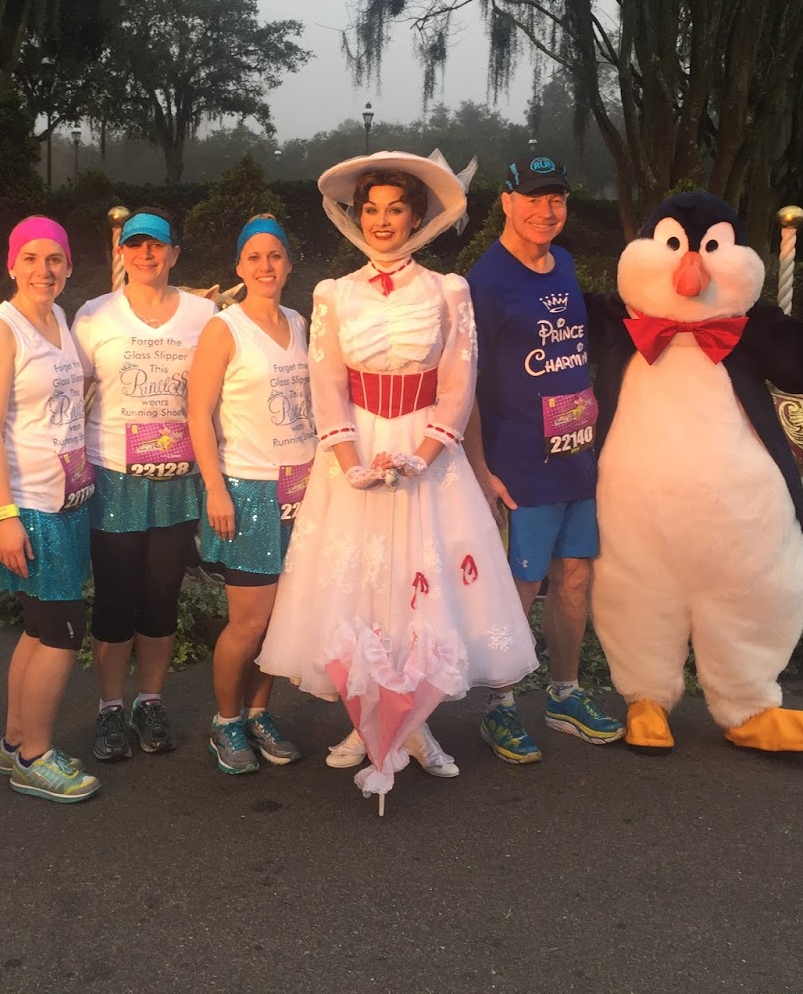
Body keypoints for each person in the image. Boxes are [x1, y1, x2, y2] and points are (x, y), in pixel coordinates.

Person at [256, 151, 539, 784]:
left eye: (395, 209)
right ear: (358, 217)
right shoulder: (333, 294)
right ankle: (367, 723)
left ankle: (415, 724)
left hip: (425, 452)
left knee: (422, 585)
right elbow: (326, 384)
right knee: (362, 583)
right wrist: (351, 464)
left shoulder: (447, 290)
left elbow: (459, 384)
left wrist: (423, 455)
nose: (382, 221)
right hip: (354, 450)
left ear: (416, 217)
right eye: (371, 210)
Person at [463, 154, 625, 764]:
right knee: (520, 584)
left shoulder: (565, 265)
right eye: (532, 198)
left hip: (575, 452)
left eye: (555, 199)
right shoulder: (484, 282)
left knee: (575, 576)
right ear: (506, 202)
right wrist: (481, 469)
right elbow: (463, 383)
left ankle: (564, 694)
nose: (545, 210)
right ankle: (499, 704)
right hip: (519, 459)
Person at [0, 216, 101, 803]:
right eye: (31, 258)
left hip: (62, 498)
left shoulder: (59, 319)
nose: (44, 270)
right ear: (11, 264)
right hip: (26, 506)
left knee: (39, 628)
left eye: (55, 259)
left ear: (68, 265)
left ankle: (15, 740)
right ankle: (35, 757)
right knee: (64, 632)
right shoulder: (0, 330)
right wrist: (7, 517)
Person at [73, 208, 216, 761]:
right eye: (135, 245)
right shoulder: (95, 315)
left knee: (161, 599)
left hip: (178, 479)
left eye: (157, 245)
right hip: (115, 476)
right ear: (122, 253)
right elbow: (68, 391)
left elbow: (222, 392)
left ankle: (149, 701)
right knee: (114, 601)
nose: (146, 254)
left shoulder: (205, 314)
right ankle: (109, 707)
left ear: (174, 253)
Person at [188, 215, 314, 775]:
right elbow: (198, 414)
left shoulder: (300, 322)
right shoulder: (225, 328)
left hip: (302, 489)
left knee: (282, 620)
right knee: (248, 623)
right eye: (255, 257)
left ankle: (260, 712)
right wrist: (216, 488)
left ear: (288, 264)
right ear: (239, 267)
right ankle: (226, 720)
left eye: (275, 256)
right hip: (247, 487)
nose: (266, 266)